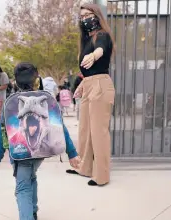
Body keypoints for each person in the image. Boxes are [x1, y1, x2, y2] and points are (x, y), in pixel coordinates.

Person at [0, 62, 81, 220]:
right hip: (40, 153)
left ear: (15, 80)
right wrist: (72, 153)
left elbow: (4, 131)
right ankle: (33, 213)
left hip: (20, 154)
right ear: (36, 78)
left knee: (22, 188)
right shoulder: (45, 99)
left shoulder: (13, 101)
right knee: (31, 177)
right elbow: (59, 127)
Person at [66, 3, 115, 186]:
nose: (85, 18)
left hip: (101, 86)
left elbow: (101, 49)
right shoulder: (86, 40)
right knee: (85, 130)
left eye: (89, 14)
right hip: (90, 85)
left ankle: (102, 175)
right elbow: (88, 71)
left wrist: (94, 55)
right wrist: (82, 85)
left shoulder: (102, 35)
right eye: (82, 16)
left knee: (98, 133)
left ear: (96, 15)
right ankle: (85, 168)